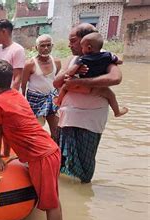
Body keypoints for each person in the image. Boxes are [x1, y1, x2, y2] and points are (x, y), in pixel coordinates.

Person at [0, 60, 63, 220]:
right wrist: (7, 152)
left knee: (51, 204)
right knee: (54, 200)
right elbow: (10, 128)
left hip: (41, 157)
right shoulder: (17, 96)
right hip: (50, 150)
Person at [53, 23, 123, 183]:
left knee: (85, 165)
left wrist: (82, 84)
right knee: (61, 162)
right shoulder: (74, 59)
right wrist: (73, 72)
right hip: (67, 118)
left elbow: (115, 78)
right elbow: (57, 82)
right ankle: (68, 195)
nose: (69, 45)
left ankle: (83, 194)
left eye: (73, 41)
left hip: (90, 120)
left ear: (87, 42)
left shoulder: (103, 57)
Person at [55, 32, 128, 118]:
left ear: (88, 47)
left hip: (78, 87)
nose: (70, 45)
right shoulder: (108, 56)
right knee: (110, 94)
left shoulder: (83, 59)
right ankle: (117, 111)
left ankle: (58, 102)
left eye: (74, 41)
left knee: (64, 87)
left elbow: (70, 72)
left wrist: (75, 74)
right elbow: (120, 61)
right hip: (92, 89)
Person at [21, 34, 61, 141]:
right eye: (42, 46)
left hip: (52, 99)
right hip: (35, 101)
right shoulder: (29, 64)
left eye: (48, 45)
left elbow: (57, 82)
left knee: (57, 131)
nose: (46, 48)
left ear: (52, 46)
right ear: (36, 47)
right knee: (34, 132)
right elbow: (23, 86)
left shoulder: (56, 62)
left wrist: (61, 99)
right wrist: (23, 106)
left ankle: (55, 155)